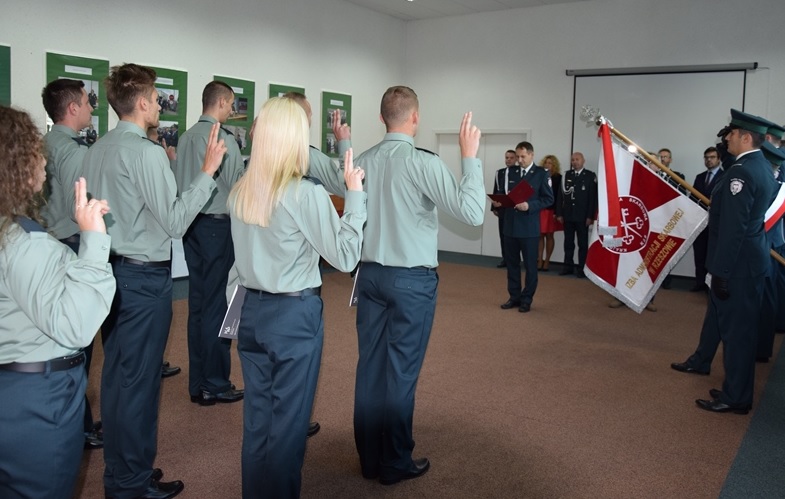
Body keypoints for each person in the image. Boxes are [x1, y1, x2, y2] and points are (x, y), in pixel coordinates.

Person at [82, 63, 226, 499]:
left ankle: (127, 474)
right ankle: (129, 483)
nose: (158, 105)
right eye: (156, 97)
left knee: (119, 379)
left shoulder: (97, 148)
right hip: (142, 282)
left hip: (108, 272)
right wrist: (207, 172)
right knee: (138, 385)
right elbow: (177, 221)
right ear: (143, 102)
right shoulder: (144, 151)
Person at [227, 96, 366, 498]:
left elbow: (237, 267)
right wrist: (355, 199)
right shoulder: (305, 194)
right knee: (288, 428)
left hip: (251, 312)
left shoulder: (241, 191)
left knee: (257, 422)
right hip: (293, 318)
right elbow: (344, 256)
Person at [352, 86, 484, 485]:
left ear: (381, 119)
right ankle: (394, 462)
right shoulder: (424, 162)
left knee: (370, 368)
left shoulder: (363, 162)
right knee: (401, 373)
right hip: (411, 281)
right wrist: (469, 159)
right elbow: (473, 213)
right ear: (415, 118)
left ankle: (370, 458)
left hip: (369, 276)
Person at [0, 105, 115, 499]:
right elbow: (76, 325)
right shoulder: (25, 244)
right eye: (34, 151)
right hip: (37, 401)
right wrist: (94, 240)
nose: (43, 161)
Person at [692, 109, 776, 415]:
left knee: (737, 336)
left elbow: (732, 228)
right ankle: (736, 388)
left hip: (738, 266)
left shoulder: (741, 173)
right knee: (742, 332)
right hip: (750, 262)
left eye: (731, 134)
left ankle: (736, 397)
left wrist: (720, 272)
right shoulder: (760, 165)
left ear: (745, 137)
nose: (725, 138)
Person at [40, 78, 105, 450]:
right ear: (72, 109)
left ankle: (74, 421)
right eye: (86, 102)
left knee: (57, 340)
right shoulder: (75, 151)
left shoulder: (46, 144)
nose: (91, 108)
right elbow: (75, 207)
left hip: (47, 244)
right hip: (70, 244)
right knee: (78, 345)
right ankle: (78, 426)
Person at [175, 81, 245, 407]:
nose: (233, 111)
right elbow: (238, 188)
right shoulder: (225, 140)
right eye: (231, 104)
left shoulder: (186, 137)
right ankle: (215, 383)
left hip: (192, 227)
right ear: (221, 102)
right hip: (217, 228)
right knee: (217, 305)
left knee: (198, 305)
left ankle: (197, 384)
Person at [498, 142, 553, 312]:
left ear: (531, 155)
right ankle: (514, 297)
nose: (519, 160)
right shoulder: (511, 172)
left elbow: (548, 199)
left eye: (523, 156)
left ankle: (526, 299)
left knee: (530, 266)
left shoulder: (541, 174)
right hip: (510, 227)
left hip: (529, 229)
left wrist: (530, 206)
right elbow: (507, 195)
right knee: (512, 265)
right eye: (517, 156)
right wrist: (499, 202)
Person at [755, 141, 785, 363]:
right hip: (767, 247)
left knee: (765, 300)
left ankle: (761, 348)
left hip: (768, 249)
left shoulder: (776, 189)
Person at [556, 152, 597, 278]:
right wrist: (559, 213)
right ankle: (567, 266)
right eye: (573, 160)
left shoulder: (590, 176)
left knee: (582, 244)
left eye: (577, 159)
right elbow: (560, 196)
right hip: (568, 215)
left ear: (583, 160)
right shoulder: (567, 175)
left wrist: (590, 216)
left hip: (582, 217)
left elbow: (593, 199)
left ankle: (582, 268)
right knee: (568, 243)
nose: (575, 162)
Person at [690, 146, 723, 292]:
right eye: (706, 158)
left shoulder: (725, 176)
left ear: (719, 159)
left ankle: (710, 286)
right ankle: (699, 283)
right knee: (699, 253)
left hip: (716, 223)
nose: (709, 160)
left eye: (712, 157)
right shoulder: (700, 177)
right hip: (700, 222)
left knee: (713, 254)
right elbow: (692, 198)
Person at [492, 150, 518, 268]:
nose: (508, 160)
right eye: (507, 157)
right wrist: (494, 207)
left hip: (516, 209)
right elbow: (497, 190)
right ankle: (505, 259)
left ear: (516, 159)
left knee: (515, 236)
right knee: (503, 235)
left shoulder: (519, 172)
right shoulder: (500, 173)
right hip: (503, 209)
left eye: (511, 158)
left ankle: (515, 259)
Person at [537, 154, 563, 271]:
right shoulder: (539, 175)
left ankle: (547, 260)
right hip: (540, 209)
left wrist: (557, 212)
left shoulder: (558, 178)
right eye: (546, 162)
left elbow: (559, 197)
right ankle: (539, 259)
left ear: (554, 166)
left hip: (551, 211)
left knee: (549, 235)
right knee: (540, 235)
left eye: (550, 163)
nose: (548, 165)